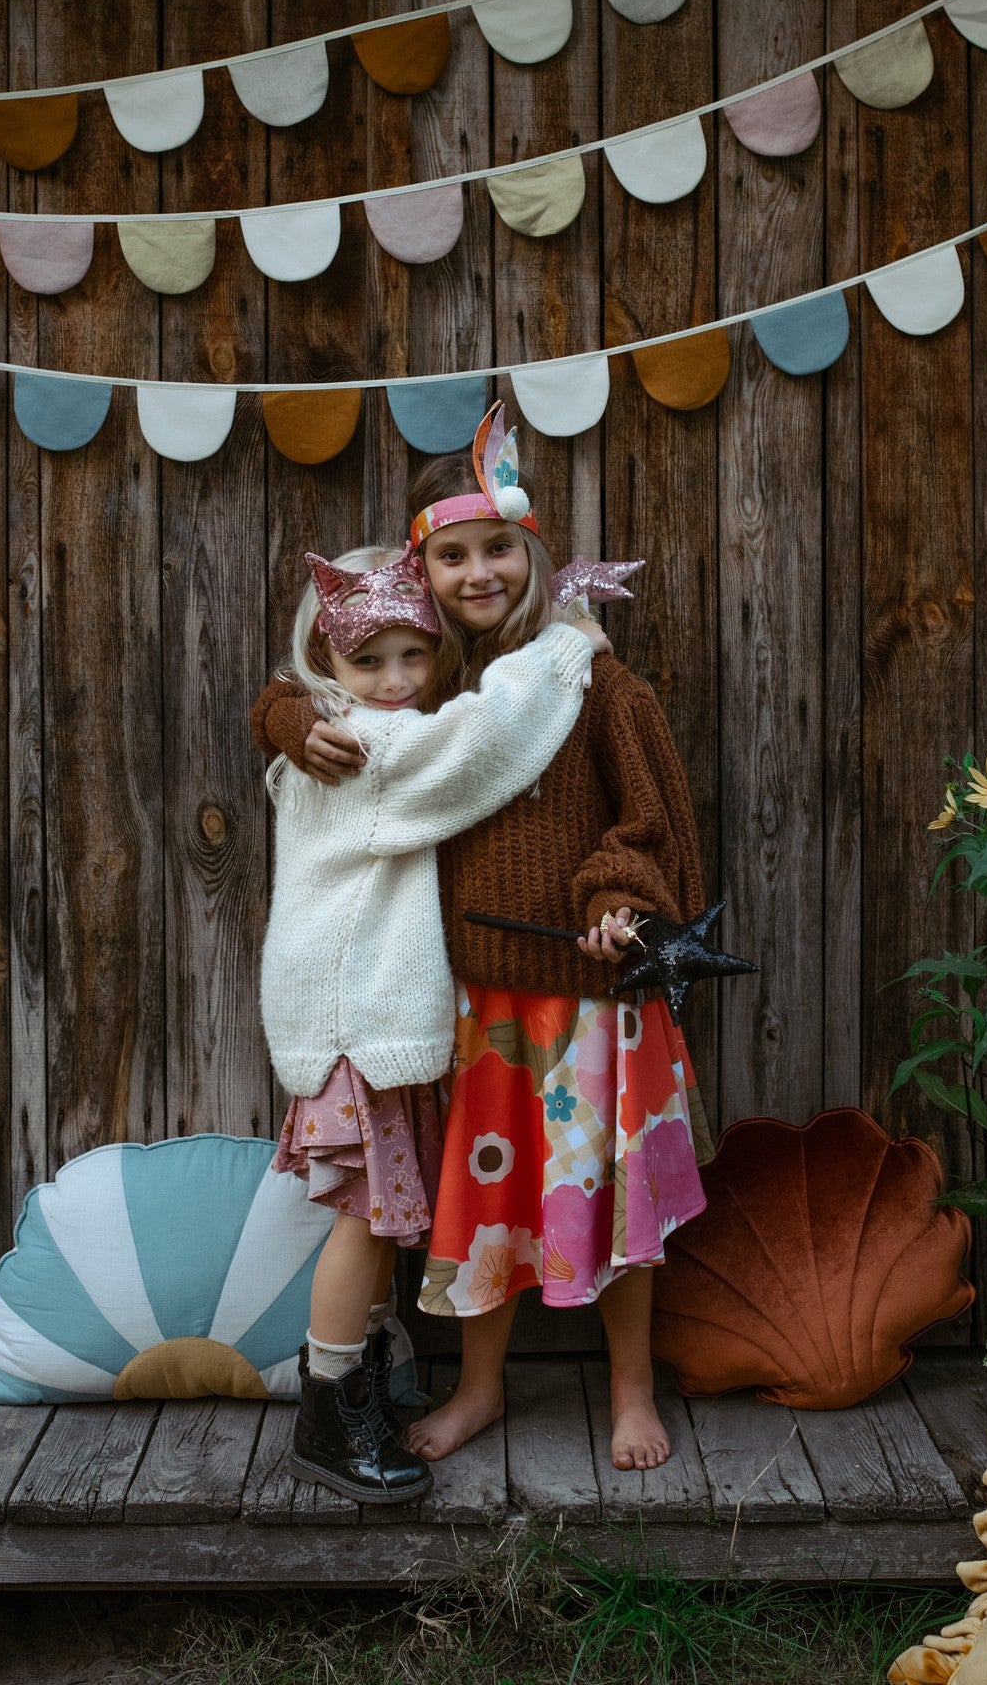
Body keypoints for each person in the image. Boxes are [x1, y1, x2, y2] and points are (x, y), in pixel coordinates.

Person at [258, 409, 714, 1473]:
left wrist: (616, 897)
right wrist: (279, 718)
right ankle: (480, 1386)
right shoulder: (429, 686)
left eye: (498, 548)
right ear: (419, 576)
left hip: (594, 992)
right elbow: (317, 690)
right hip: (475, 998)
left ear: (533, 551)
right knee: (489, 1209)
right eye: (452, 556)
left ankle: (631, 1389)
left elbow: (651, 821)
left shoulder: (593, 680)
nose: (479, 572)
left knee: (617, 1204)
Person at [252, 539, 605, 1505]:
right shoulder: (359, 748)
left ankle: (359, 1380)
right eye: (369, 660)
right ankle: (328, 1414)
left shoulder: (344, 726)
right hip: (355, 1020)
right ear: (326, 661)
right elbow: (482, 740)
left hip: (366, 1018)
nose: (398, 678)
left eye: (415, 653)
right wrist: (565, 644)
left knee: (377, 1219)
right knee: (365, 1224)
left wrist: (280, 707)